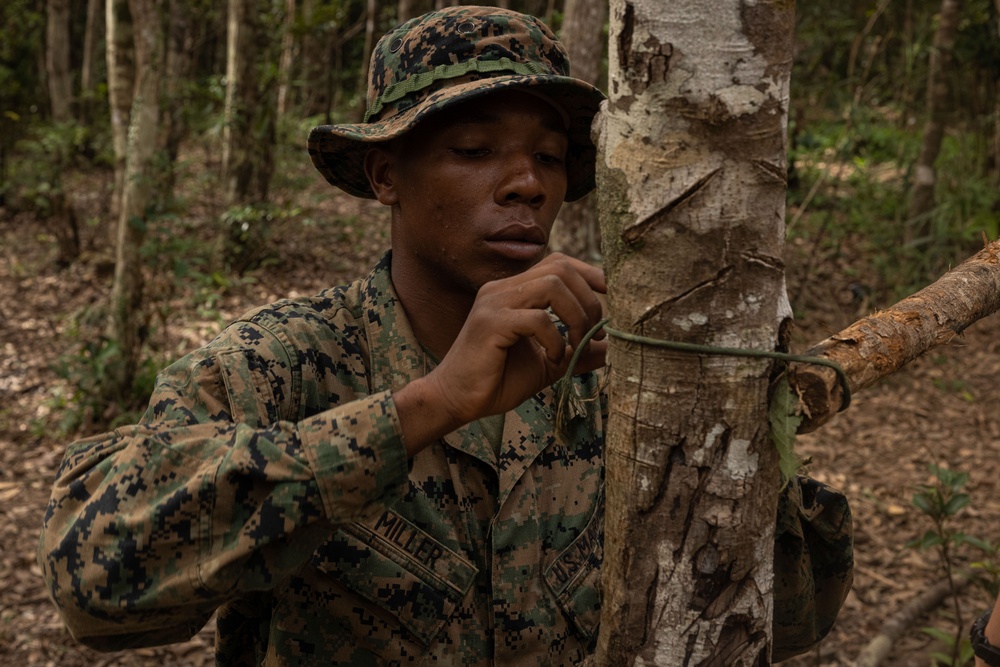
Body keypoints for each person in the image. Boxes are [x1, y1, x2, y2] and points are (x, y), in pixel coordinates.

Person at [38, 6, 853, 665]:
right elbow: (94, 580)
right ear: (384, 175)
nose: (527, 184)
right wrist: (421, 407)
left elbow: (788, 619)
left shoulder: (609, 380)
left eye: (550, 155)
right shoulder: (280, 365)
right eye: (473, 149)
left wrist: (747, 433)